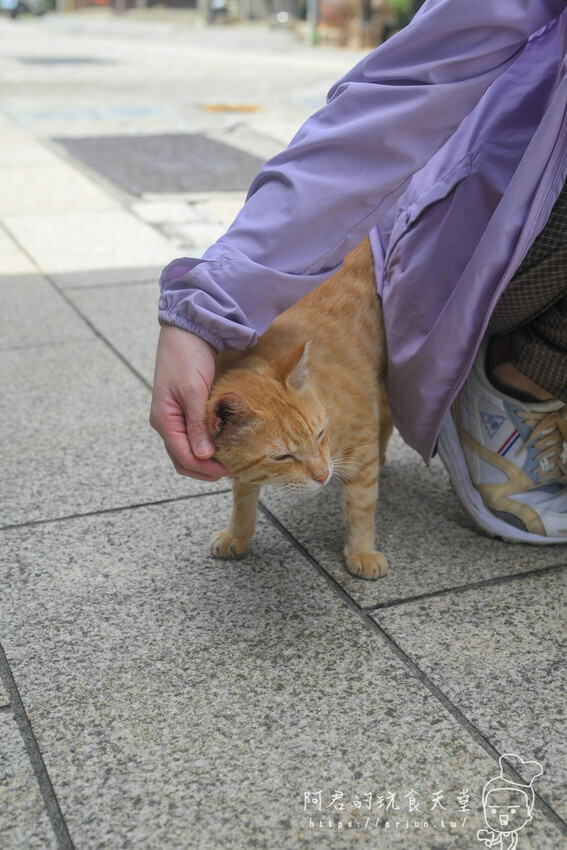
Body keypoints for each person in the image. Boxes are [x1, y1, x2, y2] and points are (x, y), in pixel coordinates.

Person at [150, 0, 567, 543]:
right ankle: (524, 378)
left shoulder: (306, 399)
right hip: (489, 221)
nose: (320, 472)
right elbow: (396, 99)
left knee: (366, 416)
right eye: (292, 458)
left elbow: (354, 439)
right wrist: (204, 308)